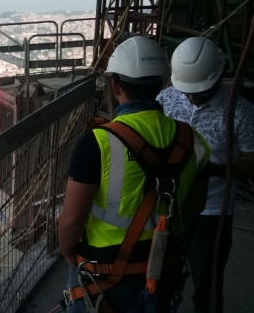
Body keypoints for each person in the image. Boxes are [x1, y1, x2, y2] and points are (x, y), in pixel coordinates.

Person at [58, 36, 211, 313]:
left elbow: (71, 223)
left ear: (115, 85)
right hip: (163, 268)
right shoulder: (195, 141)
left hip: (103, 276)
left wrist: (69, 254)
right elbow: (195, 206)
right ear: (162, 84)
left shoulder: (97, 143)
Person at [157, 37, 254, 313]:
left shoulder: (240, 113)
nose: (191, 97)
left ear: (218, 77)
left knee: (207, 282)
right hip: (170, 203)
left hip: (211, 211)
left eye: (199, 91)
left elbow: (252, 162)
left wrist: (214, 170)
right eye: (187, 90)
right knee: (159, 275)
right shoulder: (167, 97)